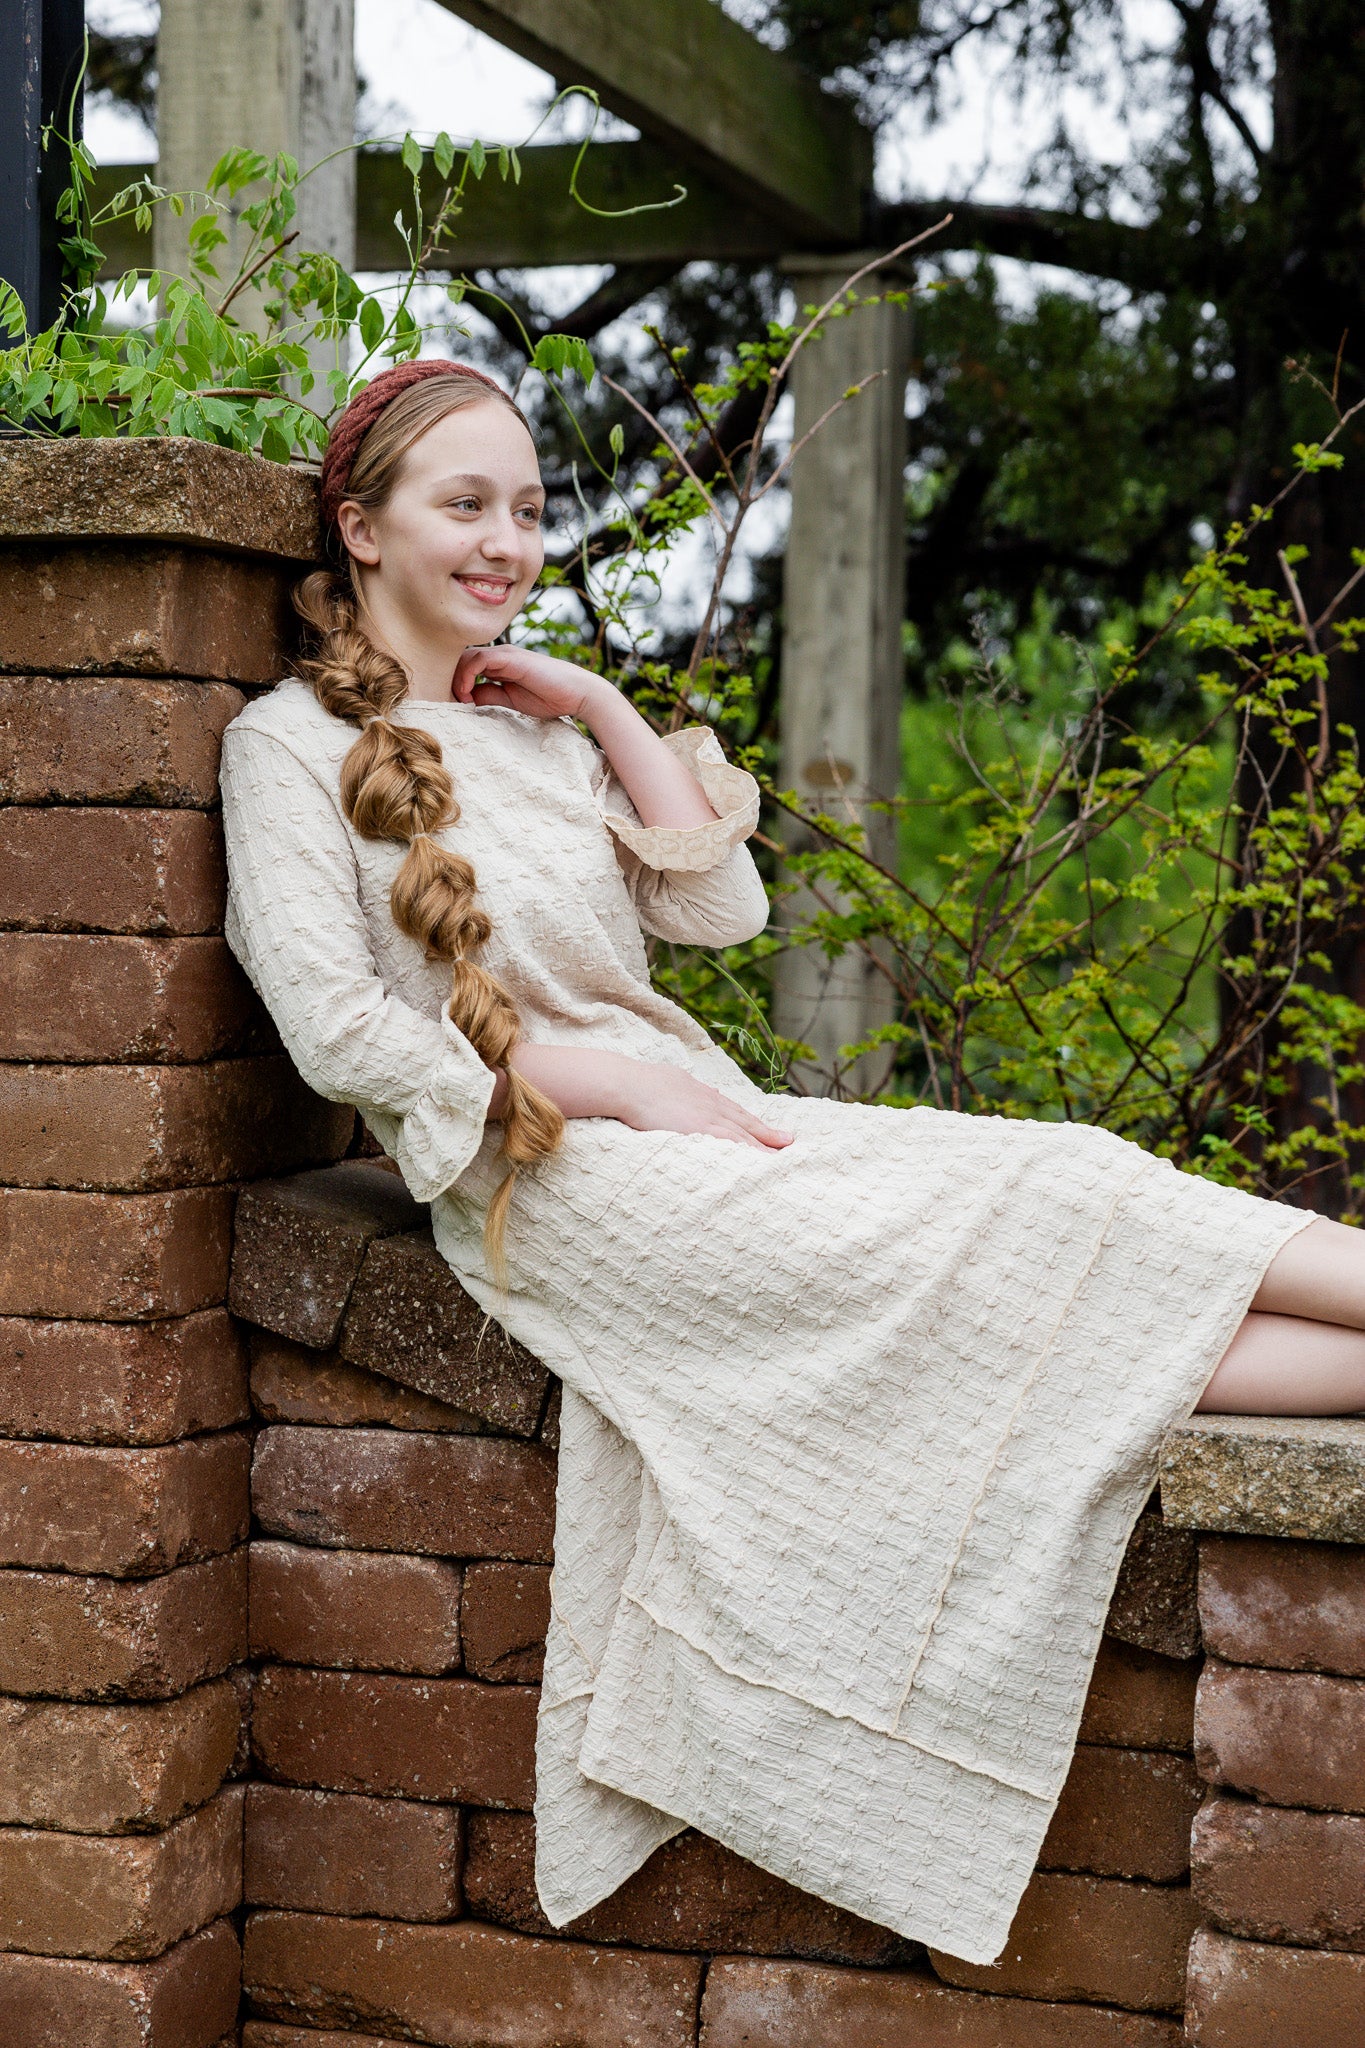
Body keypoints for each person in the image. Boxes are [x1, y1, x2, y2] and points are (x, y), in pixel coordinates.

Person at [219, 358, 1365, 1965]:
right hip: (550, 1182)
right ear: (359, 525)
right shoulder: (282, 749)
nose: (505, 541)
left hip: (694, 1125)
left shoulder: (535, 733)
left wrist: (603, 710)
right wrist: (599, 1081)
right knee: (1020, 1244)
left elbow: (720, 912)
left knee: (1058, 1178)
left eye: (530, 510)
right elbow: (338, 1030)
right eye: (462, 505)